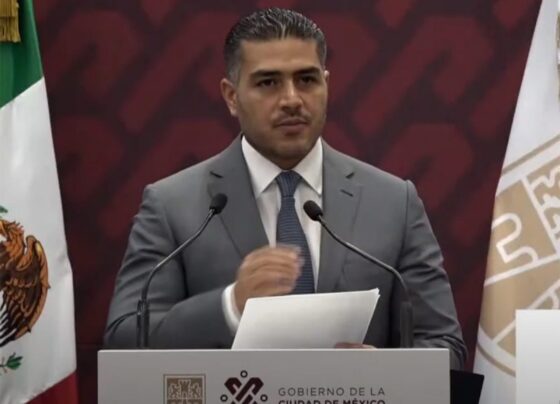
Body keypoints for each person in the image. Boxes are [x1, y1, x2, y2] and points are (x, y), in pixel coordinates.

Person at [104, 8, 467, 369]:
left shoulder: (393, 202)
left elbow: (445, 345)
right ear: (231, 96)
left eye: (306, 79)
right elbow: (125, 340)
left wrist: (386, 373)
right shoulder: (173, 205)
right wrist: (231, 306)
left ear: (327, 84)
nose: (292, 99)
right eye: (268, 83)